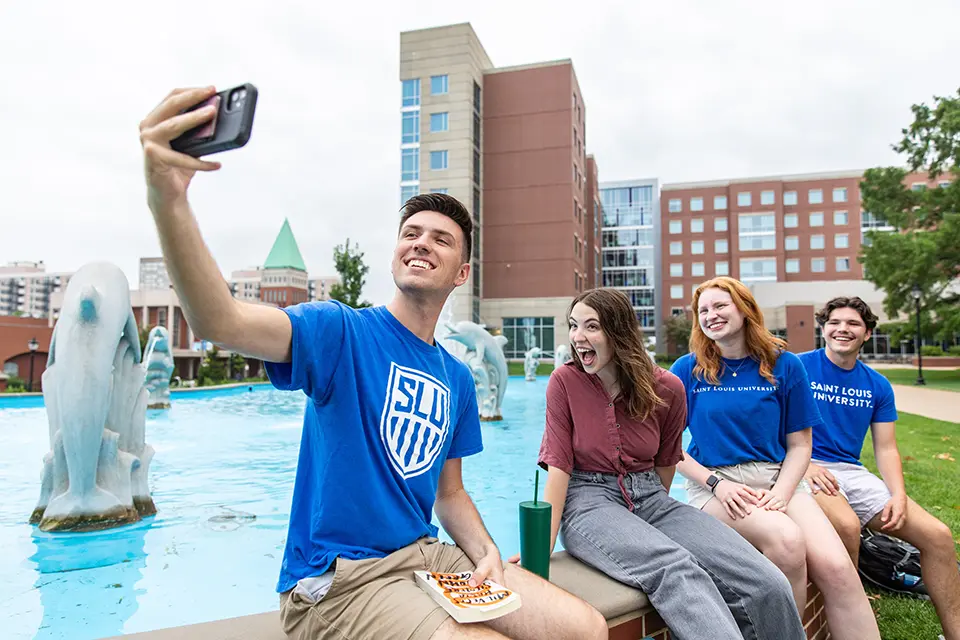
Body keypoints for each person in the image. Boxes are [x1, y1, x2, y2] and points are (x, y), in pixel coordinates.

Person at [138, 86, 607, 640]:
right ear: (395, 254)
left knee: (586, 627)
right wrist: (167, 197)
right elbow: (222, 320)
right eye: (411, 233)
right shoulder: (340, 332)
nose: (421, 243)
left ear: (462, 273)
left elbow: (448, 492)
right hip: (342, 583)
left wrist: (485, 553)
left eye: (441, 239)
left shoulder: (456, 377)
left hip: (427, 559)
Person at [508, 288, 805, 640]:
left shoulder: (668, 388)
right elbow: (559, 466)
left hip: (651, 498)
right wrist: (542, 546)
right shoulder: (565, 381)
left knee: (764, 580)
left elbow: (666, 463)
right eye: (574, 326)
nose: (577, 337)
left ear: (619, 332)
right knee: (677, 570)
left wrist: (647, 520)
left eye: (591, 327)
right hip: (588, 501)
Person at [670, 277, 880, 640]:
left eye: (721, 306)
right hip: (718, 485)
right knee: (785, 540)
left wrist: (782, 493)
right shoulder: (688, 369)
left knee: (837, 569)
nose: (711, 315)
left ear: (745, 309)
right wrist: (717, 486)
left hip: (779, 479)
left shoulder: (784, 364)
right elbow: (668, 448)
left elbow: (800, 445)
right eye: (703, 310)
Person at [799, 296, 960, 639]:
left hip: (851, 471)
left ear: (867, 333)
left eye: (853, 324)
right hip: (803, 466)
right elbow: (768, 426)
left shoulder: (877, 385)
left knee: (938, 537)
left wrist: (898, 495)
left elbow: (886, 448)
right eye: (835, 322)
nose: (843, 329)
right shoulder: (797, 367)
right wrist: (805, 464)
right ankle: (849, 624)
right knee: (845, 525)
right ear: (823, 329)